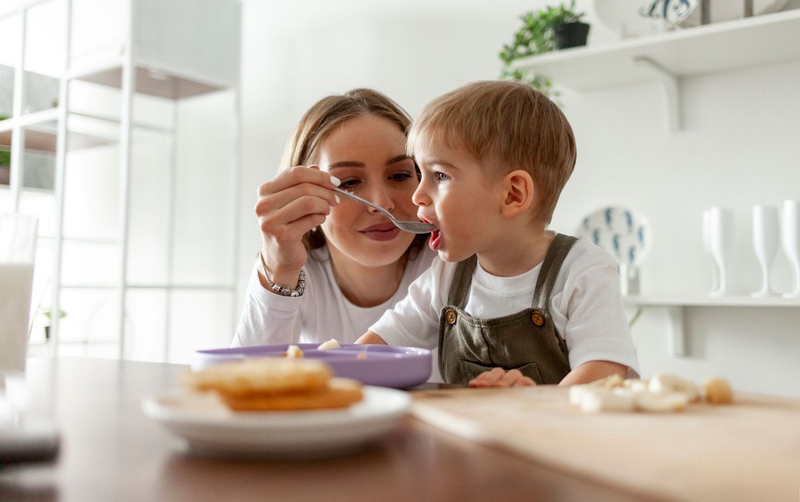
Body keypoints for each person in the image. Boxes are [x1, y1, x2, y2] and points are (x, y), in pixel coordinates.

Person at [357, 80, 639, 388]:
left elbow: (605, 371)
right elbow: (375, 350)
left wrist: (538, 404)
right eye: (420, 174)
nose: (418, 196)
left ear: (513, 195)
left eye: (440, 175)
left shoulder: (582, 272)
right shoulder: (446, 277)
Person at [232, 88, 437, 347]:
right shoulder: (297, 272)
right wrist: (279, 270)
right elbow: (247, 378)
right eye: (349, 181)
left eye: (399, 176)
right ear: (304, 193)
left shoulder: (450, 263)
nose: (381, 203)